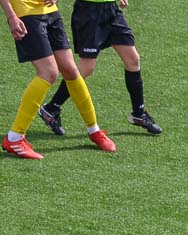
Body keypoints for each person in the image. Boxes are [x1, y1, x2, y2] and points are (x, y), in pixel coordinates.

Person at [1, 0, 116, 160]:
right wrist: (11, 16)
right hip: (25, 13)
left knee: (70, 70)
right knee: (48, 72)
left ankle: (94, 130)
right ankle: (14, 138)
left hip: (50, 10)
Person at [39, 0, 162, 136]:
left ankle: (138, 114)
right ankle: (52, 108)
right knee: (87, 67)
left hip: (111, 11)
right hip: (88, 12)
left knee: (133, 60)